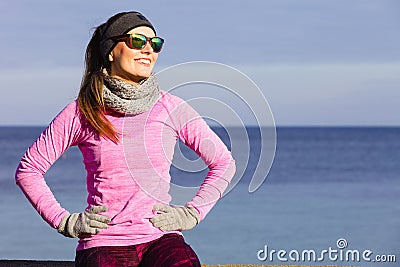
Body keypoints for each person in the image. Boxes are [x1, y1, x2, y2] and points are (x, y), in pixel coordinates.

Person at [15, 10, 236, 267]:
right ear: (111, 50)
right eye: (137, 42)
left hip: (160, 238)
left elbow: (223, 163)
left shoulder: (171, 107)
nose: (148, 51)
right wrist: (65, 221)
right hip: (104, 243)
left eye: (155, 44)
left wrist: (192, 213)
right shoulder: (82, 111)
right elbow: (28, 170)